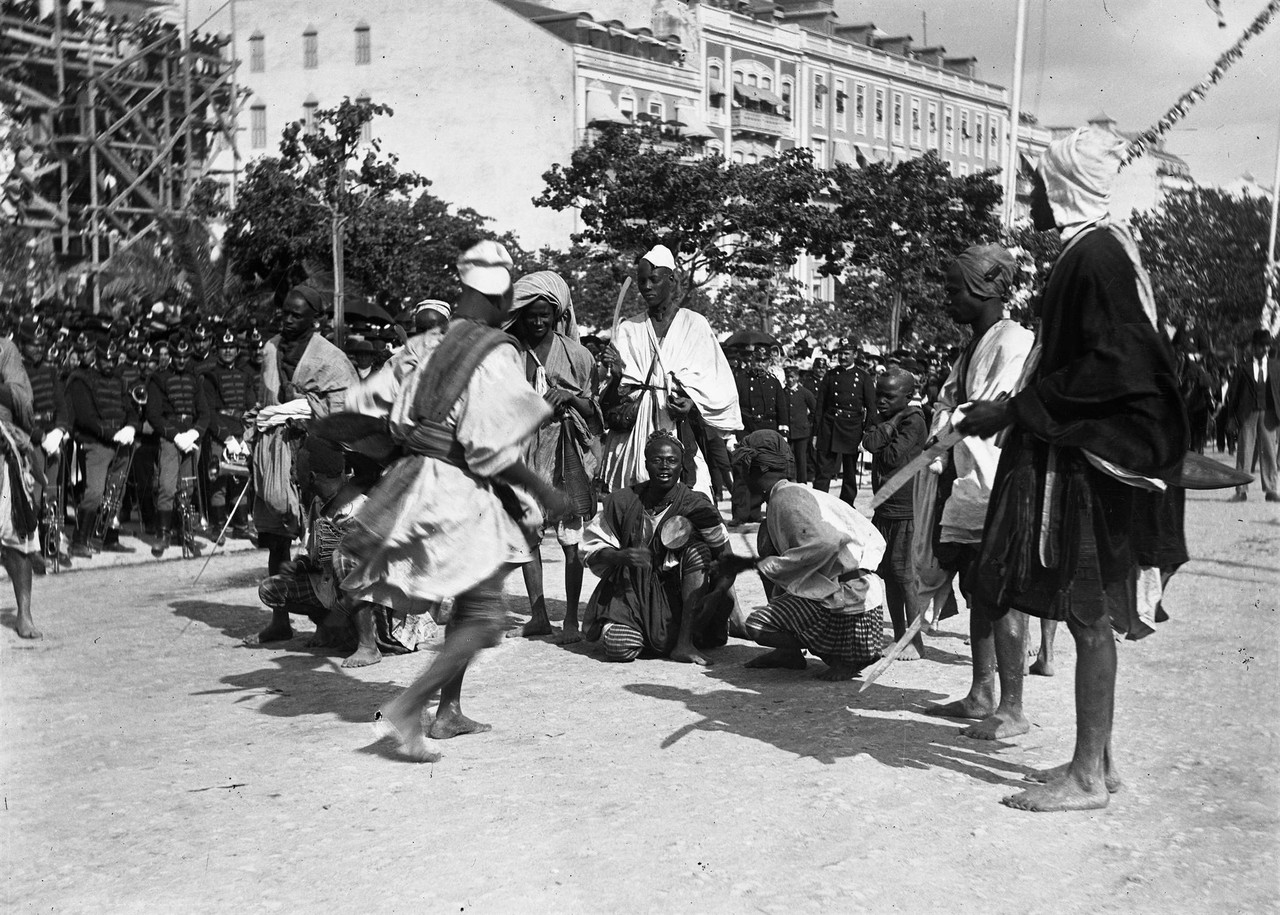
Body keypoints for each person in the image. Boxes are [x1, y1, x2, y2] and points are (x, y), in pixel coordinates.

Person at [964, 125, 1189, 812]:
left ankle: (1088, 775)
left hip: (1092, 465)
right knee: (1087, 605)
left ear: (1063, 186)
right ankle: (1102, 760)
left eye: (1037, 182)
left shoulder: (1095, 259)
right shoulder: (1097, 250)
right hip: (1084, 454)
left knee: (1089, 610)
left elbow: (1116, 364)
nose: (1029, 195)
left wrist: (1014, 411)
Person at [337, 241, 570, 761]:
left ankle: (448, 712)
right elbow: (486, 447)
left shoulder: (424, 343)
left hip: (415, 479)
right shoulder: (493, 350)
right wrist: (542, 489)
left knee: (470, 603)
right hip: (456, 489)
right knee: (484, 615)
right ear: (504, 293)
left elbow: (361, 407)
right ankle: (410, 707)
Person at [917, 244, 1036, 737]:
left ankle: (1013, 707)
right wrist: (948, 419)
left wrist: (950, 419)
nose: (945, 298)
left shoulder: (1016, 341)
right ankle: (981, 692)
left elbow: (987, 412)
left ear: (982, 288)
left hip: (997, 483)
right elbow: (946, 404)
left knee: (1003, 592)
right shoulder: (971, 347)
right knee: (978, 589)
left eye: (952, 290)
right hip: (966, 485)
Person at [732, 430, 888, 680]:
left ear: (756, 470)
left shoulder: (786, 498)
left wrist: (773, 565)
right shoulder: (788, 494)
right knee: (768, 550)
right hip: (855, 594)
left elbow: (826, 543)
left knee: (757, 624)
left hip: (850, 600)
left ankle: (842, 657)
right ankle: (789, 653)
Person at [248, 284, 358, 618]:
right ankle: (279, 620)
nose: (288, 320)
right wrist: (269, 415)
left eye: (297, 315)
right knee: (276, 536)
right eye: (285, 313)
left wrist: (303, 408)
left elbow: (344, 412)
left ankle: (333, 620)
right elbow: (266, 397)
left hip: (317, 455)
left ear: (314, 318)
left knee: (325, 539)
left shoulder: (330, 360)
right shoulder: (271, 350)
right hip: (276, 453)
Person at [598, 245, 741, 498]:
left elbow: (716, 384)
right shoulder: (629, 328)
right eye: (642, 281)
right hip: (633, 438)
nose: (647, 287)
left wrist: (692, 404)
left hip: (679, 429)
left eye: (654, 279)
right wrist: (618, 373)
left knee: (688, 500)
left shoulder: (694, 324)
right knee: (633, 497)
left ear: (672, 280)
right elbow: (610, 398)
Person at [507, 271, 602, 642]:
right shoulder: (511, 353)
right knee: (527, 531)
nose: (537, 321)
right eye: (531, 314)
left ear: (557, 315)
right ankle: (538, 615)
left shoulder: (577, 355)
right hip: (523, 449)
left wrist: (569, 397)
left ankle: (572, 620)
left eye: (544, 314)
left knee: (570, 535)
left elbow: (594, 411)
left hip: (566, 450)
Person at [581, 432, 732, 665]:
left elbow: (726, 559)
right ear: (645, 464)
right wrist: (620, 556)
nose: (664, 467)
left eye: (672, 461)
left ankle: (683, 641)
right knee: (619, 648)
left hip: (681, 597)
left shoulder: (696, 504)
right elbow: (590, 549)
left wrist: (717, 595)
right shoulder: (624, 501)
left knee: (697, 551)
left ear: (682, 466)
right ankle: (652, 637)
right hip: (633, 593)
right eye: (657, 460)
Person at [862, 368, 928, 660]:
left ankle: (916, 641)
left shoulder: (914, 421)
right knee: (888, 574)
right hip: (886, 508)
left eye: (889, 396)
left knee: (905, 577)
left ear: (908, 397)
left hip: (905, 508)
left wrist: (894, 422)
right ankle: (900, 637)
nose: (882, 402)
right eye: (879, 395)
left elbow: (889, 457)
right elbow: (870, 444)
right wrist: (892, 422)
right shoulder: (893, 418)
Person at [67, 339, 141, 556]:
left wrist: (131, 427)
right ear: (97, 359)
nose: (109, 364)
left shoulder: (120, 381)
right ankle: (79, 541)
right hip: (97, 443)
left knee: (116, 492)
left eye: (112, 360)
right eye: (104, 360)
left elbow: (131, 410)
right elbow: (85, 417)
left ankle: (109, 537)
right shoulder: (84, 380)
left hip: (122, 442)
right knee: (95, 492)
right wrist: (112, 434)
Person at [145, 333, 209, 558]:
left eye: (185, 356)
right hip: (170, 437)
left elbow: (204, 413)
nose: (181, 360)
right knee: (167, 486)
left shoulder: (194, 379)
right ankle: (162, 535)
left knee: (188, 488)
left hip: (191, 438)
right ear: (171, 355)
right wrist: (175, 435)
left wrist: (194, 433)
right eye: (177, 356)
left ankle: (186, 533)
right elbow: (153, 414)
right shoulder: (158, 378)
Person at [0, 335, 39, 638]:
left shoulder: (5, 349)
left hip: (4, 452)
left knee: (15, 536)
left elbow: (23, 402)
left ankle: (23, 614)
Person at [201, 330, 255, 539]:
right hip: (220, 434)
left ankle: (241, 526)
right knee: (219, 480)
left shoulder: (245, 376)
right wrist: (227, 437)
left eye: (232, 348)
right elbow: (210, 412)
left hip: (241, 433)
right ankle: (218, 527)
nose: (228, 352)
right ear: (218, 350)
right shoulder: (211, 377)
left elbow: (251, 408)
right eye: (224, 348)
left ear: (237, 350)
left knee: (240, 478)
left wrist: (247, 437)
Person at [813, 339, 878, 505]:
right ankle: (820, 502)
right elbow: (820, 406)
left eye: (846, 353)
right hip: (830, 425)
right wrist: (816, 432)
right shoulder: (830, 375)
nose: (842, 357)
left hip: (852, 427)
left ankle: (847, 504)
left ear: (854, 355)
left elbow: (871, 408)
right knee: (823, 469)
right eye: (841, 353)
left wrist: (866, 433)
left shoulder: (863, 377)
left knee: (849, 471)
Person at [1225, 329, 1278, 502]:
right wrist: (1232, 416)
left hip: (1269, 413)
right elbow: (1233, 393)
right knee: (1244, 451)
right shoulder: (1243, 367)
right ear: (1253, 347)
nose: (1265, 349)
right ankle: (1241, 490)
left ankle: (1271, 489)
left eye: (1267, 346)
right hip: (1247, 413)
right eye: (1261, 346)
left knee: (1269, 451)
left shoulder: (1276, 366)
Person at [782, 363, 816, 484]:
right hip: (787, 432)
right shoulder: (782, 392)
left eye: (792, 377)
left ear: (797, 377)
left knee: (801, 459)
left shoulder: (804, 392)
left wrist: (807, 422)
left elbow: (814, 410)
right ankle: (789, 481)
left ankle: (802, 483)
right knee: (788, 459)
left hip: (802, 432)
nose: (790, 380)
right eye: (787, 377)